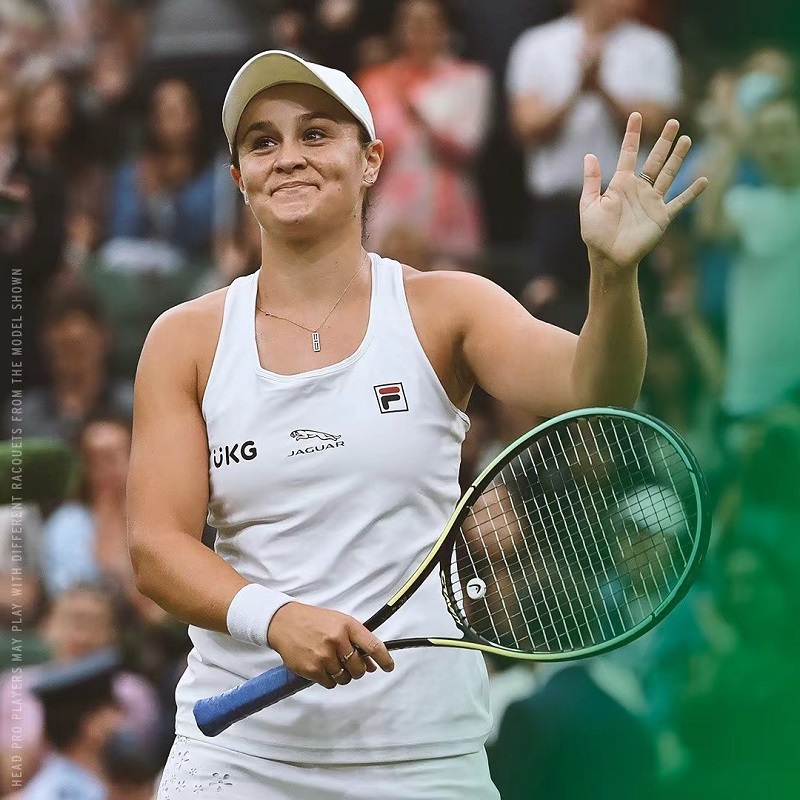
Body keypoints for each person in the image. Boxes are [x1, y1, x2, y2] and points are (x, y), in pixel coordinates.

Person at [126, 48, 705, 798]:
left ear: (370, 160)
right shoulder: (184, 338)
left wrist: (614, 277)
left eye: (315, 134)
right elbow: (156, 548)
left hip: (423, 755)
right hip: (241, 757)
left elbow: (597, 391)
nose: (288, 156)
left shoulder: (447, 307)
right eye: (263, 142)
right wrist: (278, 619)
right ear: (240, 179)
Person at [506, 0, 680, 318]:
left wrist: (602, 90)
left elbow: (657, 125)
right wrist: (577, 90)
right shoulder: (538, 44)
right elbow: (526, 126)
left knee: (627, 312)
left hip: (626, 209)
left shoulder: (654, 48)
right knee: (546, 311)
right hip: (557, 210)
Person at [357, 0, 492, 259]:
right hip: (391, 209)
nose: (419, 30)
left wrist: (420, 119)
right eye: (411, 22)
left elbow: (467, 148)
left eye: (429, 22)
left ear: (445, 27)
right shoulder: (376, 80)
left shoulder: (469, 79)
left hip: (447, 208)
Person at [21, 649, 122, 800]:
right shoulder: (57, 793)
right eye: (115, 710)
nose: (122, 721)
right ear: (91, 726)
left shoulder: (94, 783)